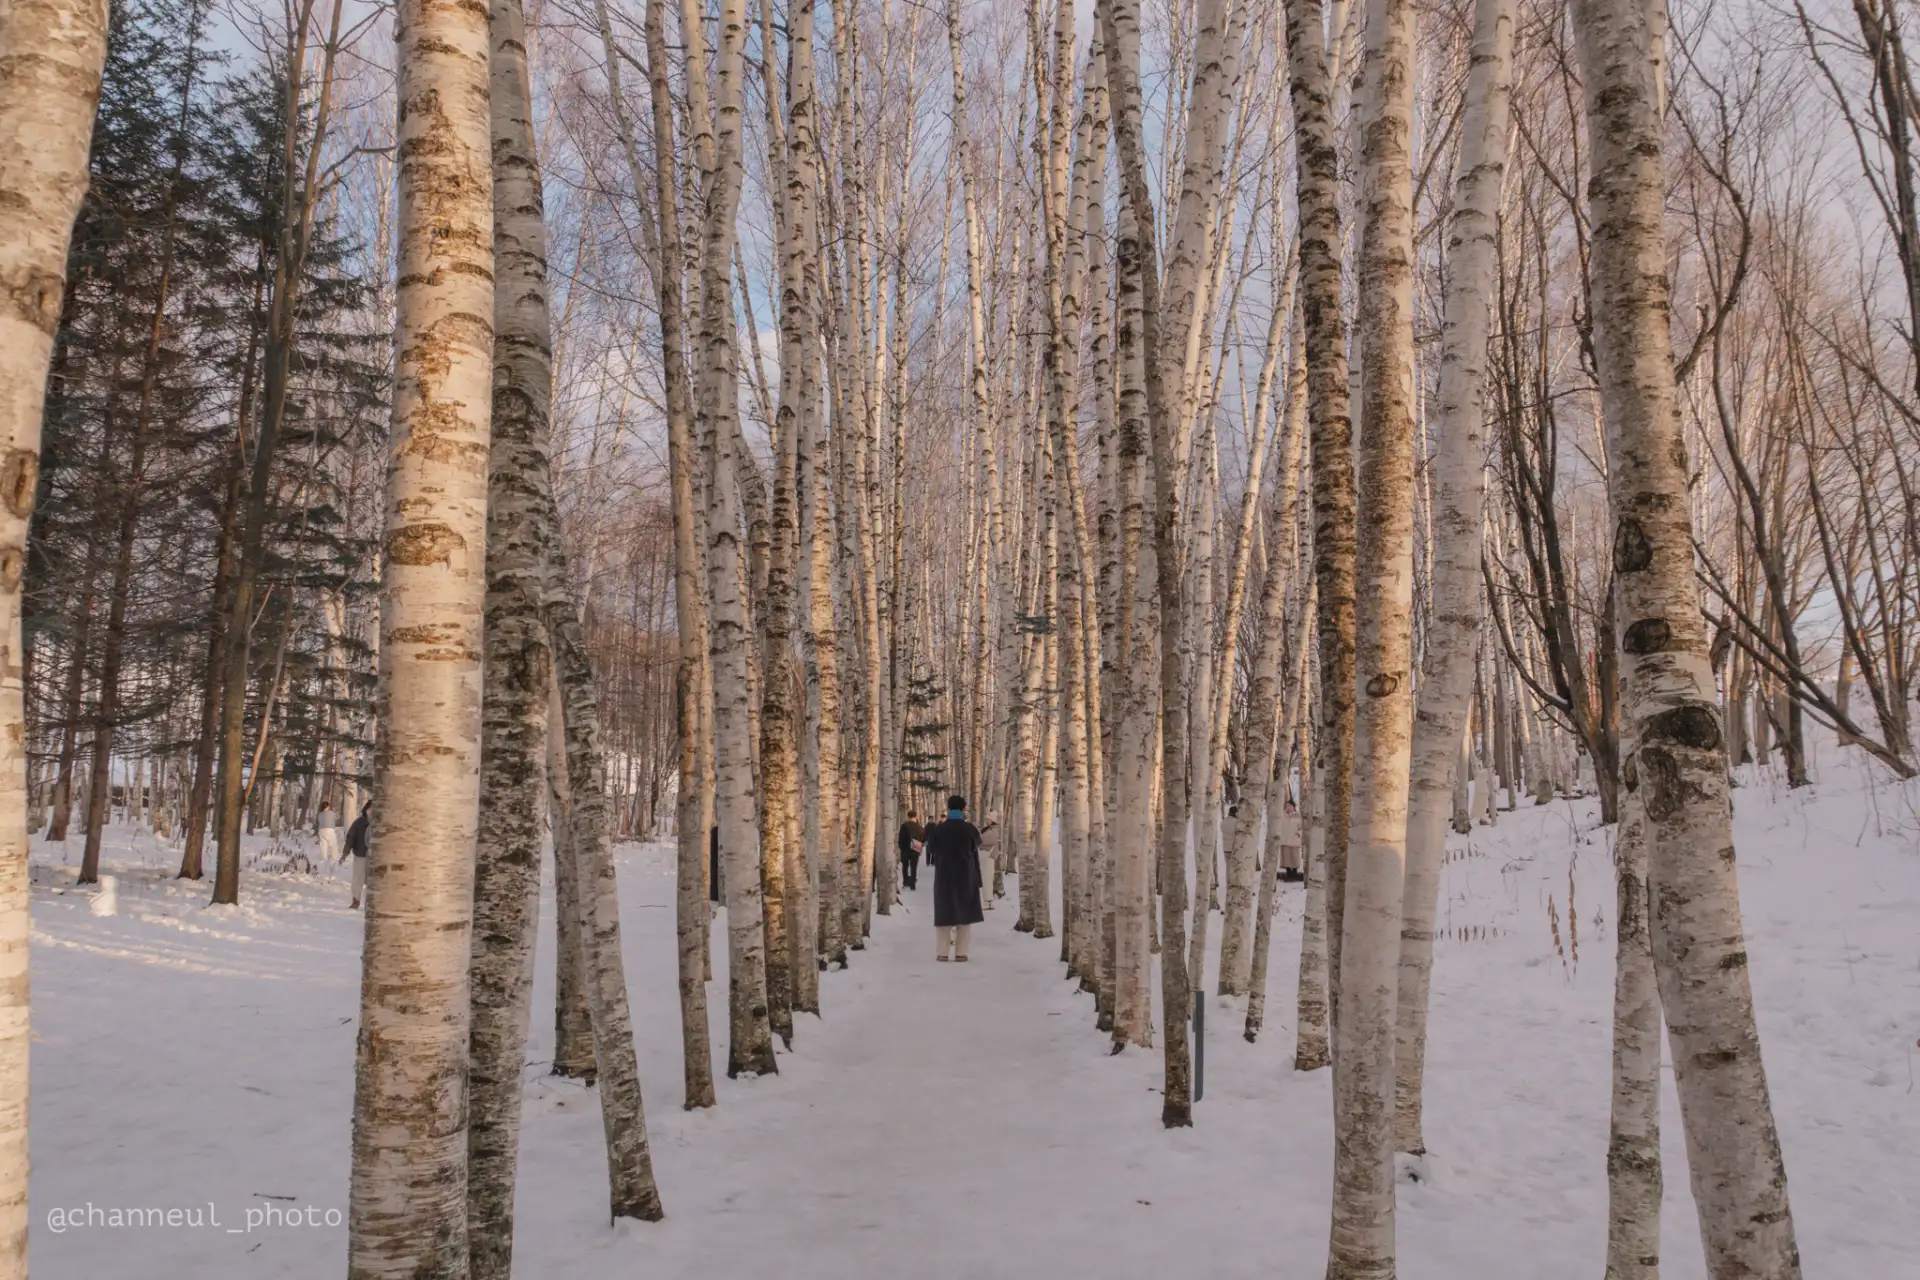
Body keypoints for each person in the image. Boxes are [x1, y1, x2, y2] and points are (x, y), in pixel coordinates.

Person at [925, 794, 983, 961]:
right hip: (966, 875)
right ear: (963, 809)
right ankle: (961, 953)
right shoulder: (970, 829)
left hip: (944, 876)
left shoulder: (938, 829)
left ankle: (942, 953)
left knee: (944, 913)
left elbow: (931, 849)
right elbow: (977, 844)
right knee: (964, 915)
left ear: (949, 809)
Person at [345, 803, 372, 908]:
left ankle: (371, 902)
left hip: (375, 857)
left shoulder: (380, 823)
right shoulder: (359, 823)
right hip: (360, 854)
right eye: (370, 809)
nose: (371, 812)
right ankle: (356, 900)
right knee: (357, 879)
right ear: (366, 810)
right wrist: (346, 851)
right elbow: (351, 836)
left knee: (373, 880)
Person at [1277, 797, 1304, 884]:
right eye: (1287, 806)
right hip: (1285, 840)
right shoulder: (1282, 816)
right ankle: (1288, 874)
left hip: (1294, 840)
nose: (1288, 807)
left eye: (1290, 806)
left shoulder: (1298, 816)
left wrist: (1299, 833)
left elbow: (1301, 827)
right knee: (1286, 859)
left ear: (1293, 807)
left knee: (1294, 858)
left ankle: (1294, 873)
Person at [897, 811, 925, 891]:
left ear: (908, 816)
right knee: (913, 867)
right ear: (916, 816)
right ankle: (912, 884)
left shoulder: (904, 826)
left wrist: (901, 847)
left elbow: (900, 838)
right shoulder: (919, 827)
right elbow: (923, 838)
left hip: (905, 849)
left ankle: (905, 882)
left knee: (905, 866)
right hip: (916, 848)